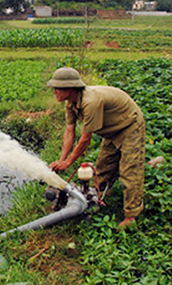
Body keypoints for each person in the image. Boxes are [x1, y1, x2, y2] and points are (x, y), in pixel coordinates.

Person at [47, 67, 146, 228]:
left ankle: (131, 216)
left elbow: (85, 139)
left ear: (71, 88)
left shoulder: (90, 102)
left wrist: (69, 162)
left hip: (130, 125)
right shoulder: (70, 103)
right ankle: (96, 198)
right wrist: (62, 160)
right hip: (111, 130)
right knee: (103, 168)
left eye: (58, 88)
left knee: (130, 170)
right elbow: (69, 132)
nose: (54, 91)